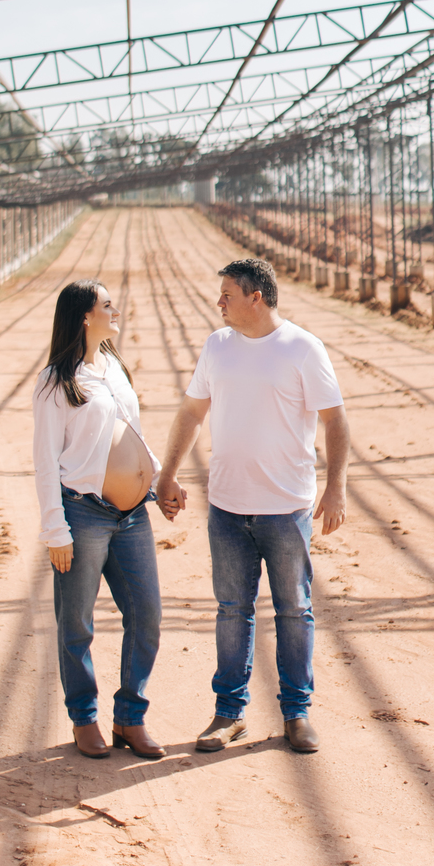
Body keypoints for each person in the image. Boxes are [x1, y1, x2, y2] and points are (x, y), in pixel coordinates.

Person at [156, 257, 348, 755]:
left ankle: (296, 713)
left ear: (255, 297)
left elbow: (335, 420)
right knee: (231, 611)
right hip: (226, 507)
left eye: (227, 294)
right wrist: (167, 472)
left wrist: (336, 487)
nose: (218, 302)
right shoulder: (217, 346)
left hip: (286, 508)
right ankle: (229, 713)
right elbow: (192, 412)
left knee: (294, 610)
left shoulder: (302, 348)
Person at [32, 279, 165, 760]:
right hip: (82, 514)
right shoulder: (56, 382)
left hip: (132, 515)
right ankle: (84, 718)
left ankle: (130, 716)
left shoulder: (113, 366)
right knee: (77, 622)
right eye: (108, 305)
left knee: (147, 615)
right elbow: (45, 460)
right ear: (85, 316)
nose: (116, 311)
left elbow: (131, 433)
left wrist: (157, 481)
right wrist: (56, 530)